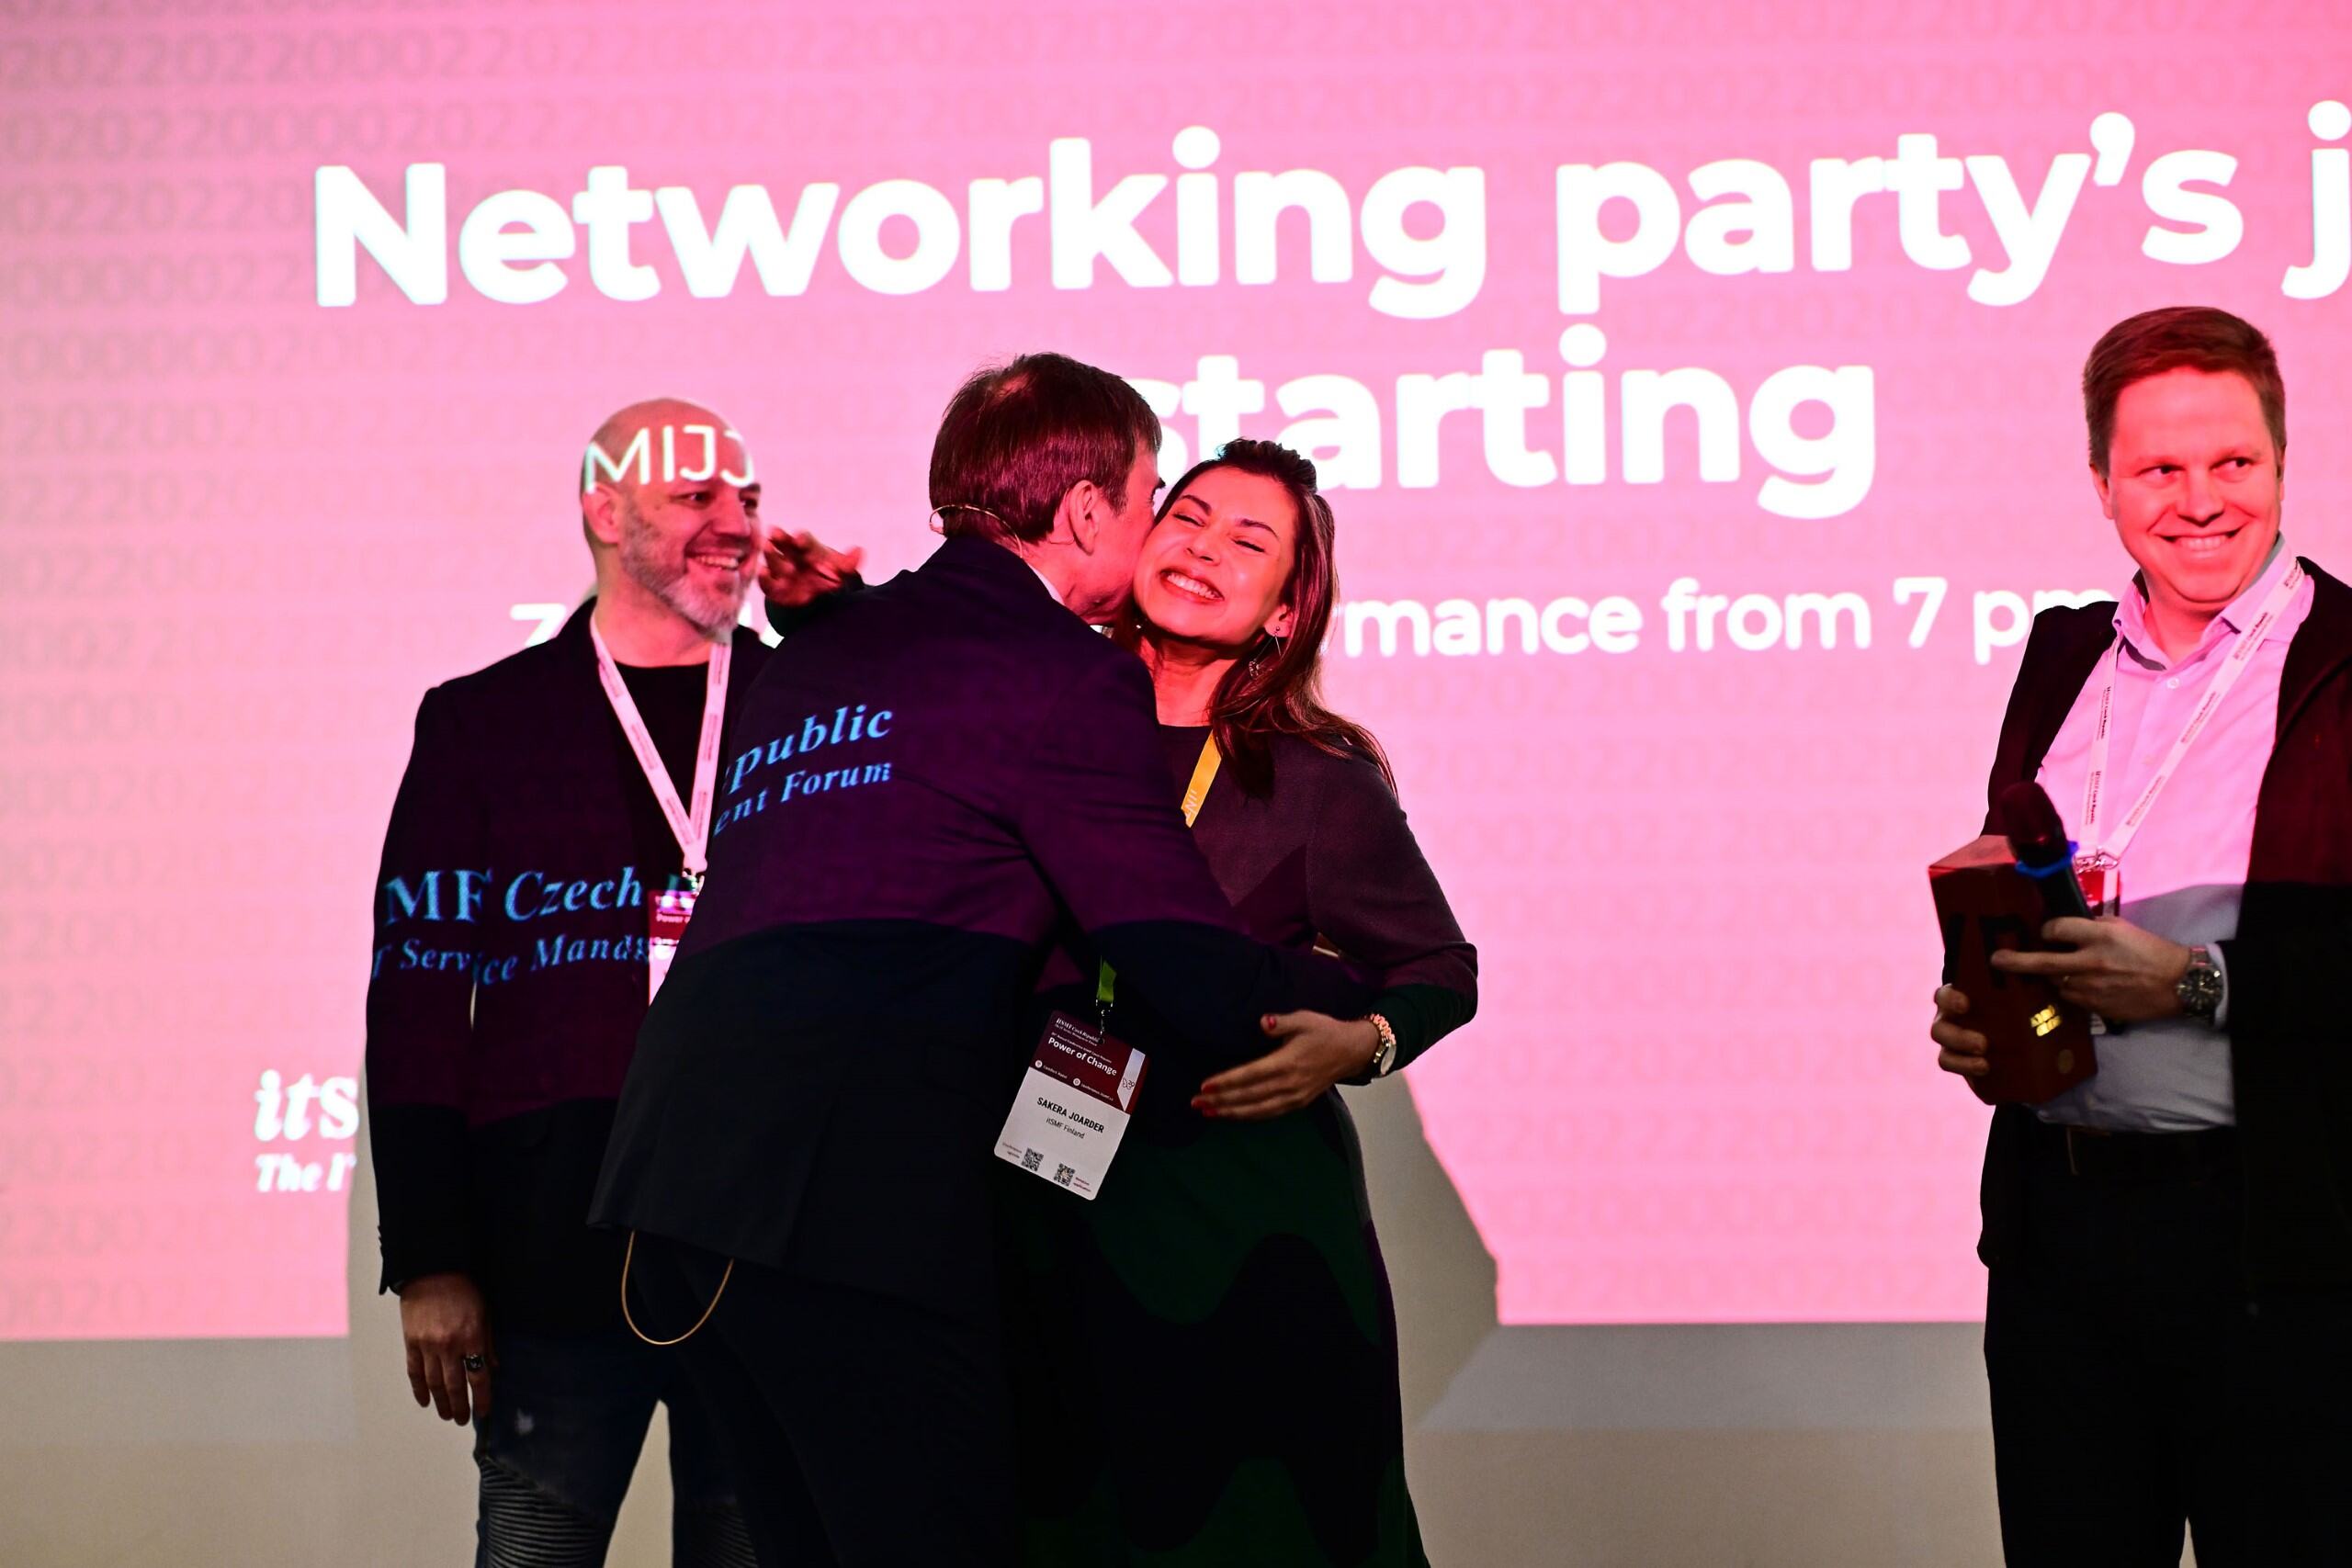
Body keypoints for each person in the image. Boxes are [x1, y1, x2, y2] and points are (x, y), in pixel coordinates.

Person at [589, 354, 1373, 1567]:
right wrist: (1355, 997)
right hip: (850, 1208)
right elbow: (1178, 961)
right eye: (1154, 496)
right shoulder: (1063, 674)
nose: (1162, 529)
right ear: (1087, 511)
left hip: (680, 1191)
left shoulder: (814, 651)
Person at [766, 441, 1476, 1565]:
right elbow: (924, 679)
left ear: (1285, 614)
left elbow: (1438, 966)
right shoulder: (1034, 713)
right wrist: (829, 612)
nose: (1203, 548)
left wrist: (1360, 1040)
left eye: (1248, 542)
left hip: (1247, 1223)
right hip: (1042, 1212)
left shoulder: (1317, 781)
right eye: (1185, 516)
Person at [1930, 307, 2352, 1565]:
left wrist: (2200, 981)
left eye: (2234, 462)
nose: (2201, 500)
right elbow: (2025, 878)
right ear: (2102, 484)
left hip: (2278, 1244)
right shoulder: (2063, 655)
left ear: (2282, 463)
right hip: (2059, 1235)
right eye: (2160, 468)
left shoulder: (2344, 659)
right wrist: (1988, 1007)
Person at [367, 399, 769, 1567]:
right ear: (604, 510)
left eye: (747, 499)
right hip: (552, 1244)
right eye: (696, 496)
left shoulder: (812, 708)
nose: (734, 521)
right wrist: (433, 1257)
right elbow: (419, 1000)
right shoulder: (483, 723)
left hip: (766, 1244)